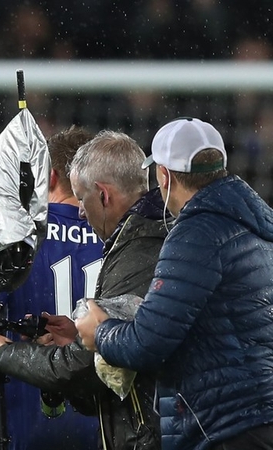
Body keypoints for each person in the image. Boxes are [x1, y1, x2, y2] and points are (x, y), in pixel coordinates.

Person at [76, 117, 273, 450]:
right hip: (257, 417)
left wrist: (100, 331)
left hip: (224, 427)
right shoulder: (255, 224)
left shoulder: (196, 235)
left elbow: (146, 344)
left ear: (163, 176)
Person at [0, 130, 169, 449]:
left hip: (41, 424)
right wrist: (79, 339)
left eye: (84, 201)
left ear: (103, 195)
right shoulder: (132, 241)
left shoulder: (140, 249)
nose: (81, 212)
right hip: (114, 424)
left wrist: (4, 354)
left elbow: (90, 365)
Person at [0, 126, 104, 450]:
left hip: (29, 425)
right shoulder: (117, 235)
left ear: (50, 176)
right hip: (106, 423)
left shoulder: (18, 240)